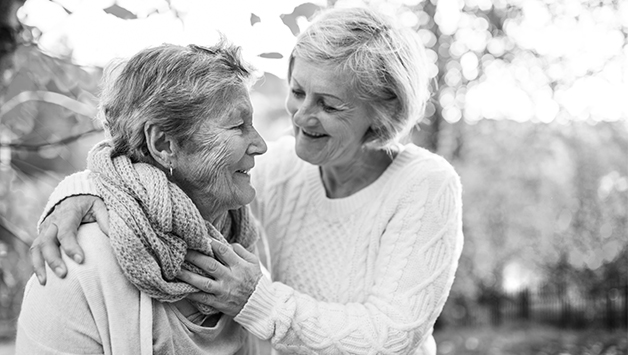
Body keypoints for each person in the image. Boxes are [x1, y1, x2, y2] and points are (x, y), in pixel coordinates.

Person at [29, 6, 464, 355]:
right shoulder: (280, 170)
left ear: (382, 113)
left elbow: (392, 337)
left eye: (330, 105)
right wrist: (80, 191)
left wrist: (257, 301)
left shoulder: (425, 186)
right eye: (297, 92)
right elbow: (169, 175)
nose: (301, 116)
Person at [17, 40, 268, 354]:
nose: (261, 145)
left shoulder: (244, 244)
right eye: (237, 126)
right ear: (163, 145)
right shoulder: (77, 268)